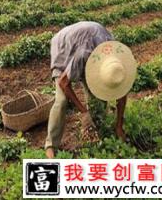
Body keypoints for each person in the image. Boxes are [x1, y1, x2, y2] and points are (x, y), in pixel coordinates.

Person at [45, 21, 137, 159]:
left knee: (98, 94)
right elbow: (64, 83)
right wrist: (84, 112)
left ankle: (96, 127)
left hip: (88, 40)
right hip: (64, 46)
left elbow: (122, 95)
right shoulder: (84, 55)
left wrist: (119, 126)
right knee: (62, 101)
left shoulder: (116, 63)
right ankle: (50, 145)